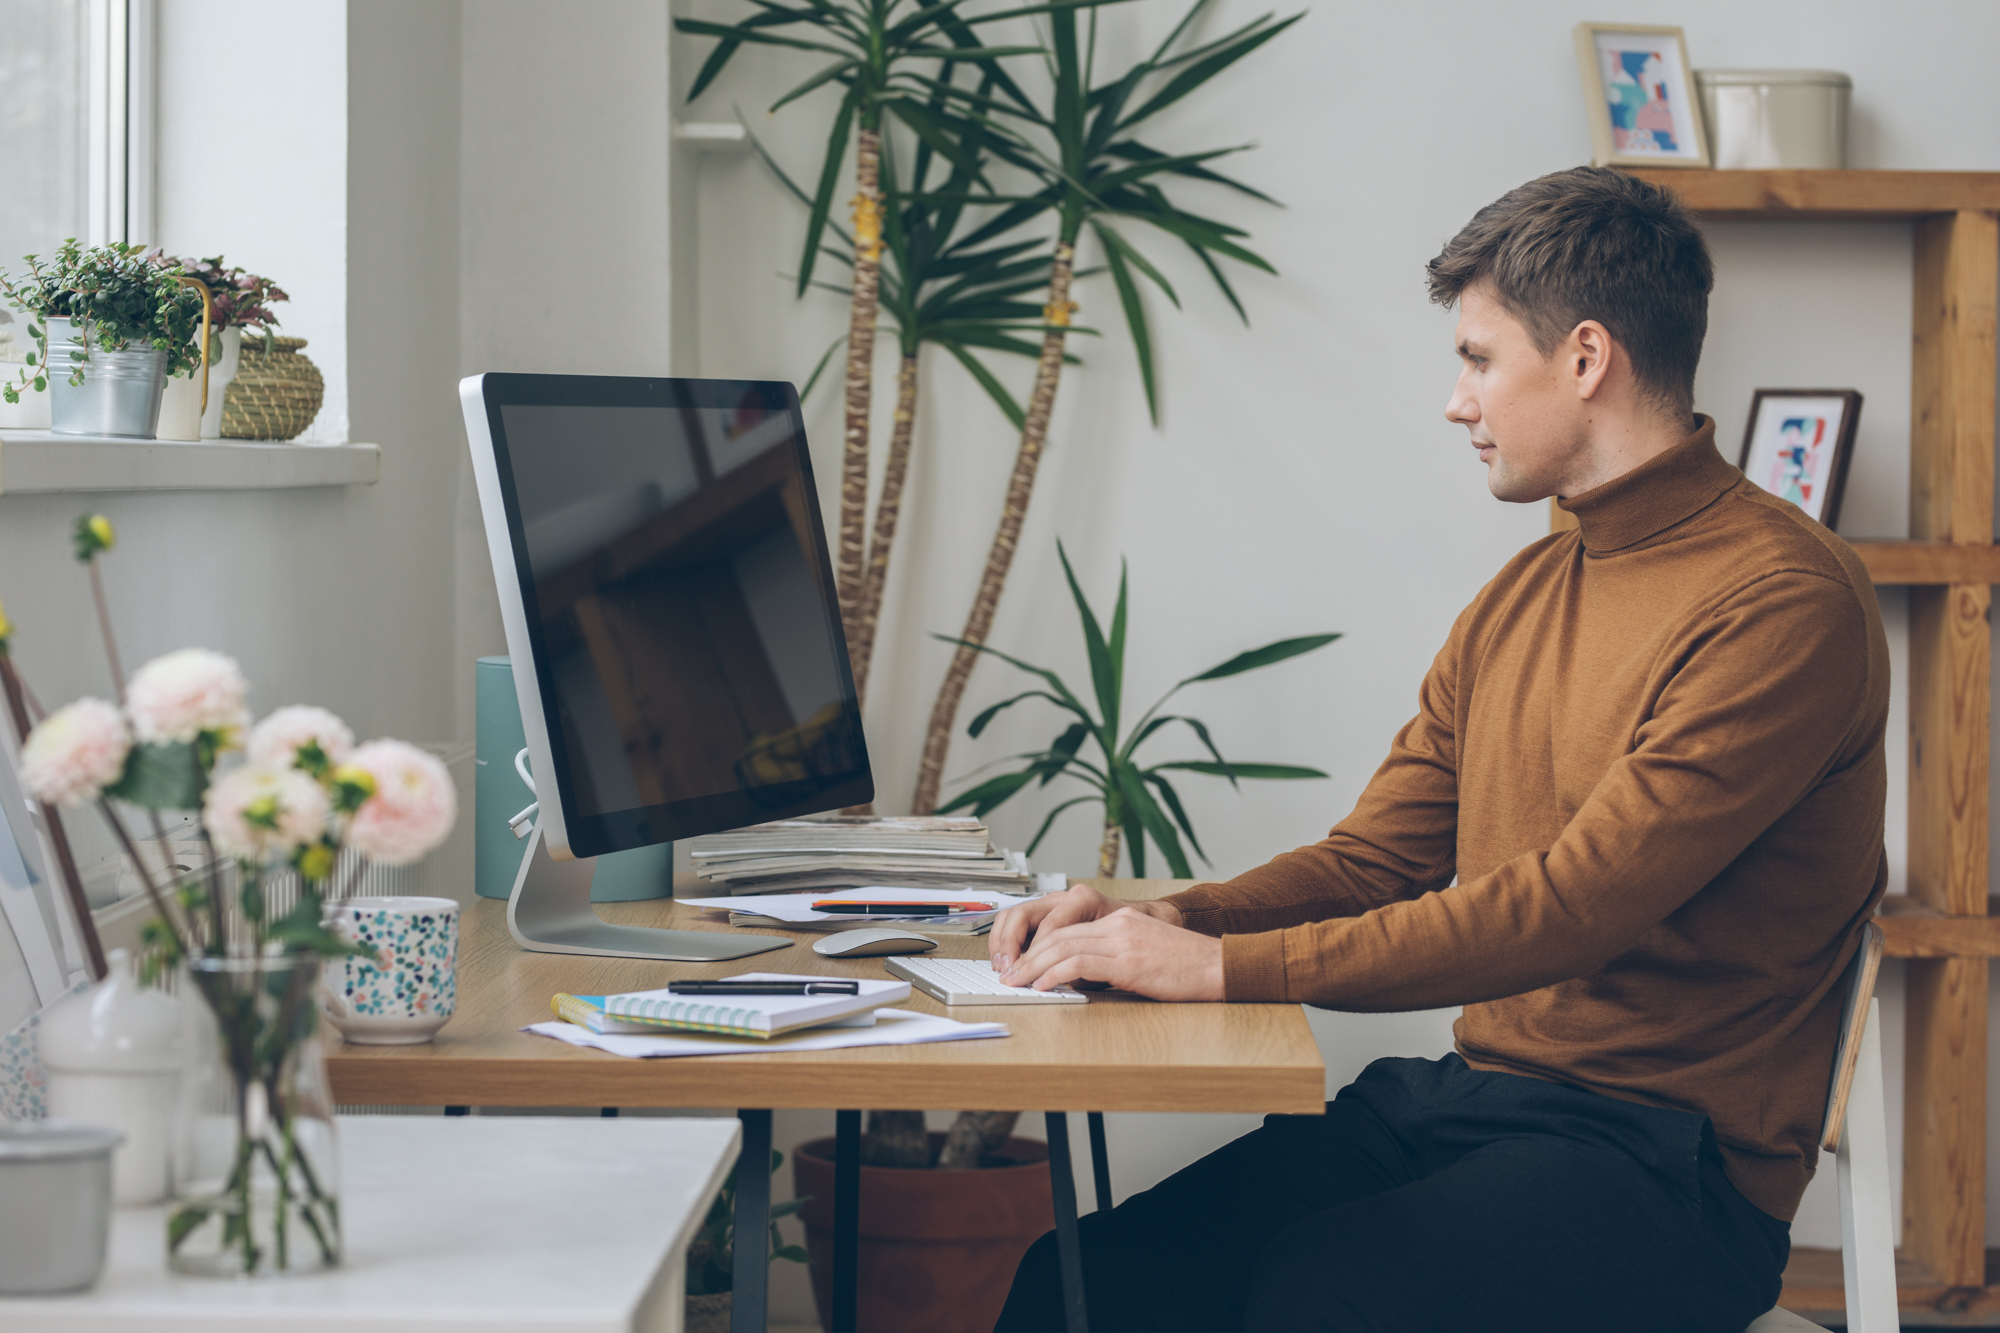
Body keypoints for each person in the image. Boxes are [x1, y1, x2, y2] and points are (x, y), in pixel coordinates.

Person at [987, 166, 1889, 1333]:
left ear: (1582, 358)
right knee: (1087, 1282)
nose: (1453, 401)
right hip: (1476, 1103)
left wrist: (1220, 972)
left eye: (1475, 358)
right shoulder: (1527, 588)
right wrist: (1176, 922)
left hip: (1669, 1166)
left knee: (1319, 1296)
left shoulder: (1780, 603)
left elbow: (1568, 910)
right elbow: (1376, 856)